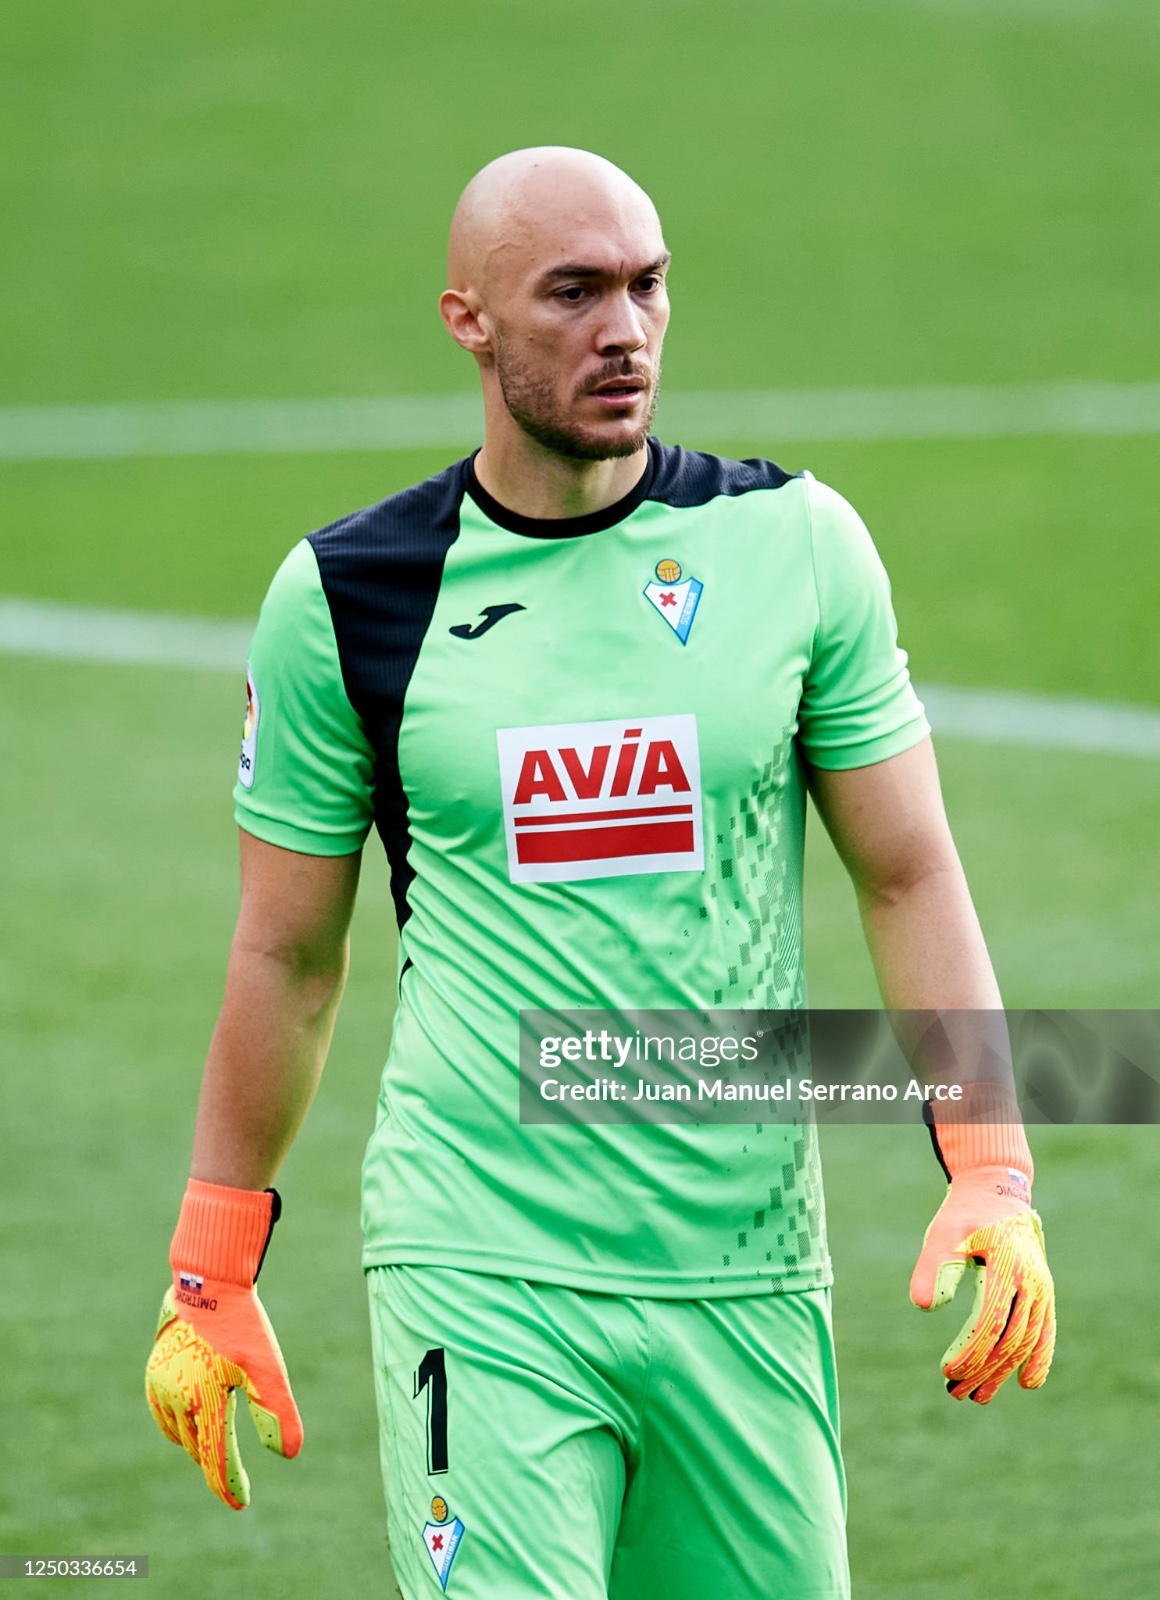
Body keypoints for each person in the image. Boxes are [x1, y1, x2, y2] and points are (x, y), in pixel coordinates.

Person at [144, 147, 1055, 1599]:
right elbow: (285, 959)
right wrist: (213, 1264)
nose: (622, 330)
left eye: (646, 287)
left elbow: (909, 873)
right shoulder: (349, 599)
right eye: (572, 293)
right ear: (469, 320)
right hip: (479, 1257)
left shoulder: (795, 547)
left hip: (746, 1270)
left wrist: (991, 1168)